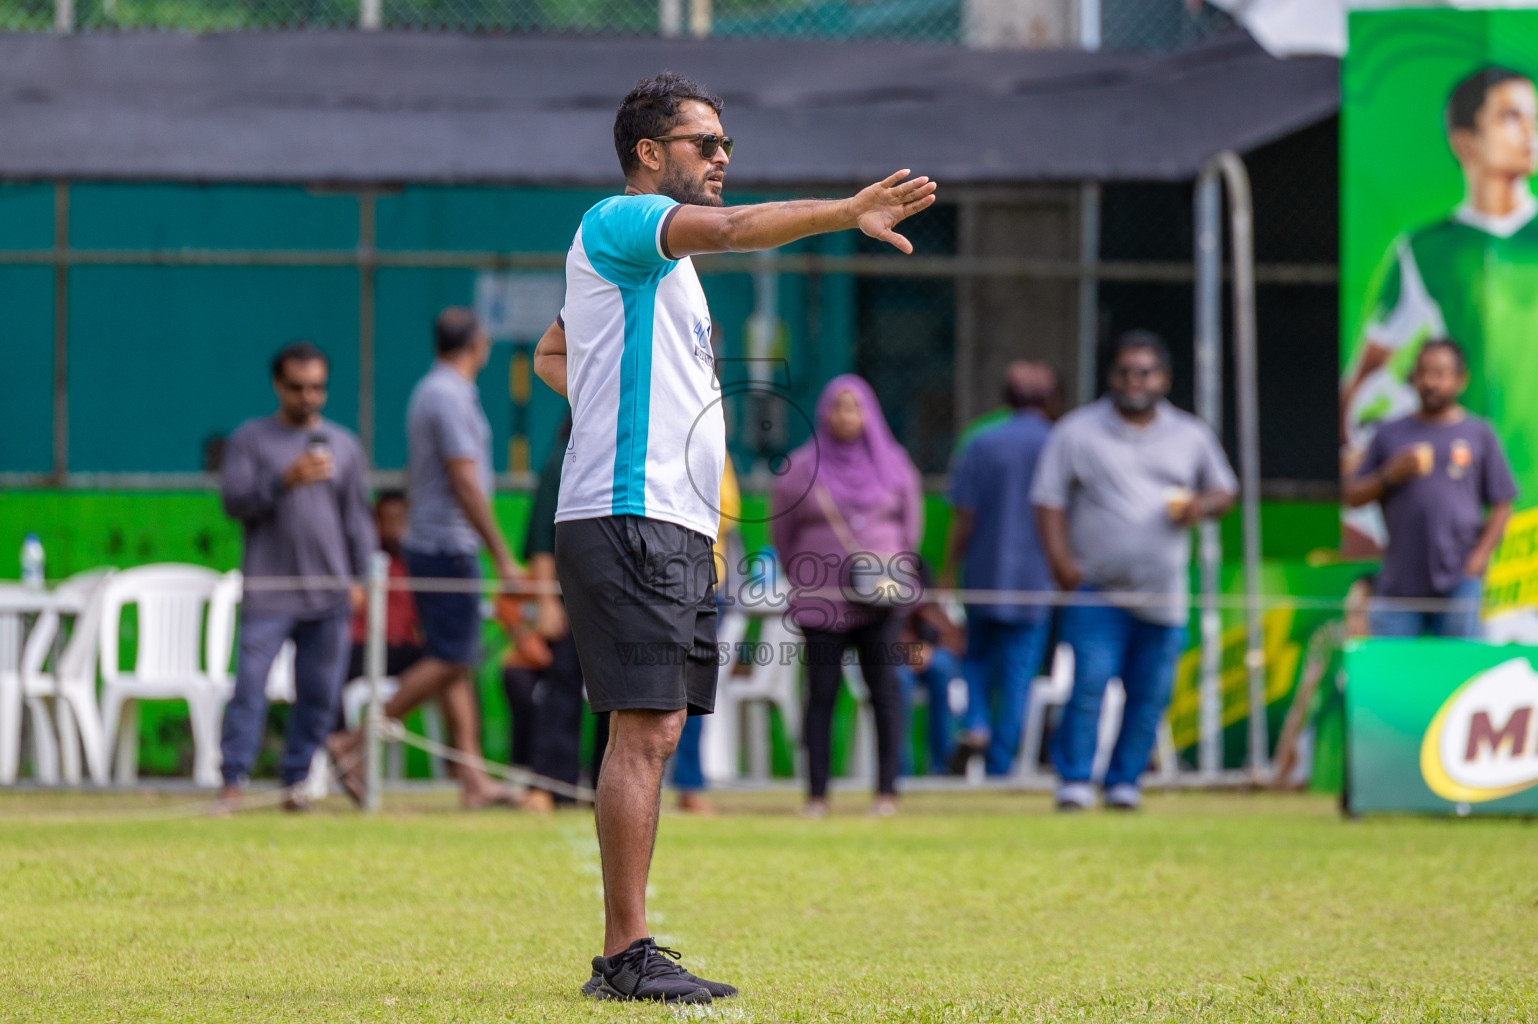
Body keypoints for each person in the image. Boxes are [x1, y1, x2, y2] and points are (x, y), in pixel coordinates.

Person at [532, 71, 934, 1004]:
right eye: (704, 143)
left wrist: (615, 413)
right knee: (645, 728)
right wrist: (849, 210)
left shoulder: (660, 269)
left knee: (658, 727)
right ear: (648, 153)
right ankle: (625, 955)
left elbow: (557, 355)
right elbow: (736, 228)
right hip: (627, 514)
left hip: (665, 519)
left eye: (727, 147)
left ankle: (627, 947)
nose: (720, 158)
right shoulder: (626, 220)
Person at [1032, 331, 1236, 811]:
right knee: (1088, 687)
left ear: (1163, 378)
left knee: (1150, 695)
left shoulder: (1190, 434)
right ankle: (1076, 781)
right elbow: (1048, 500)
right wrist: (1060, 561)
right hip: (1096, 590)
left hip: (1164, 593)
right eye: (1125, 371)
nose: (1134, 381)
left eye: (1145, 372)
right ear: (1111, 377)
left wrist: (1199, 507)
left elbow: (1225, 491)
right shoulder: (1077, 431)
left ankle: (1125, 782)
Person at [1341, 66, 1538, 554]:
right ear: (1464, 141)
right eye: (1512, 117)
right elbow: (1366, 375)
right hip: (1465, 494)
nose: (1530, 133)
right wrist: (1355, 466)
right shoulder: (1425, 250)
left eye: (1535, 118)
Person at [330, 308, 521, 810]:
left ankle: (472, 779)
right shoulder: (448, 395)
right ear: (477, 343)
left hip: (438, 543)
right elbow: (463, 479)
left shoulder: (435, 390)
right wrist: (502, 554)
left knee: (455, 663)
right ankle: (353, 742)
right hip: (446, 546)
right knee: (452, 658)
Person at [217, 342, 374, 813]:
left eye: (317, 387)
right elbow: (235, 503)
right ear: (277, 386)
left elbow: (357, 520)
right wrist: (285, 479)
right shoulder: (251, 439)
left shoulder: (344, 445)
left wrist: (362, 578)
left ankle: (294, 783)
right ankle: (232, 782)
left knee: (320, 697)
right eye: (298, 387)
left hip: (329, 594)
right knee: (249, 689)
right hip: (270, 592)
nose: (309, 396)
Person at [772, 375, 924, 818]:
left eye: (854, 407)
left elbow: (910, 529)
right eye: (837, 407)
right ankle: (817, 795)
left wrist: (891, 567)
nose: (845, 416)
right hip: (821, 600)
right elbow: (783, 533)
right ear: (823, 412)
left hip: (882, 597)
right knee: (822, 695)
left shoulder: (895, 464)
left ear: (869, 413)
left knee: (886, 693)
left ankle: (887, 792)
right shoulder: (802, 467)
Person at [1345, 339, 1516, 638]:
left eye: (1439, 373)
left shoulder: (1479, 433)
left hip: (1461, 580)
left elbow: (1503, 502)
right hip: (1399, 582)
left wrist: (1478, 560)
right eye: (1423, 373)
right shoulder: (1390, 433)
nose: (1429, 382)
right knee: (1395, 675)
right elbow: (1352, 497)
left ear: (1460, 380)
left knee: (1460, 675)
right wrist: (1388, 475)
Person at [945, 360, 1057, 776]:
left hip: (984, 574)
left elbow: (965, 515)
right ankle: (1000, 767)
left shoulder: (981, 441)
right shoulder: (1057, 442)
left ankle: (975, 723)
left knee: (973, 658)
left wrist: (947, 570)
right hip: (1035, 580)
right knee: (1018, 675)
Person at [501, 415, 585, 814]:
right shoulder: (563, 458)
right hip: (571, 602)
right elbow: (541, 540)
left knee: (618, 701)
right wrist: (549, 601)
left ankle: (607, 788)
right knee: (561, 691)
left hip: (615, 600)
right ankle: (550, 786)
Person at [344, 490, 424, 685]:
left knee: (452, 661)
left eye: (400, 522)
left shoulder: (417, 567)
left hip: (402, 650)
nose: (393, 530)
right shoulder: (356, 564)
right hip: (360, 648)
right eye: (386, 521)